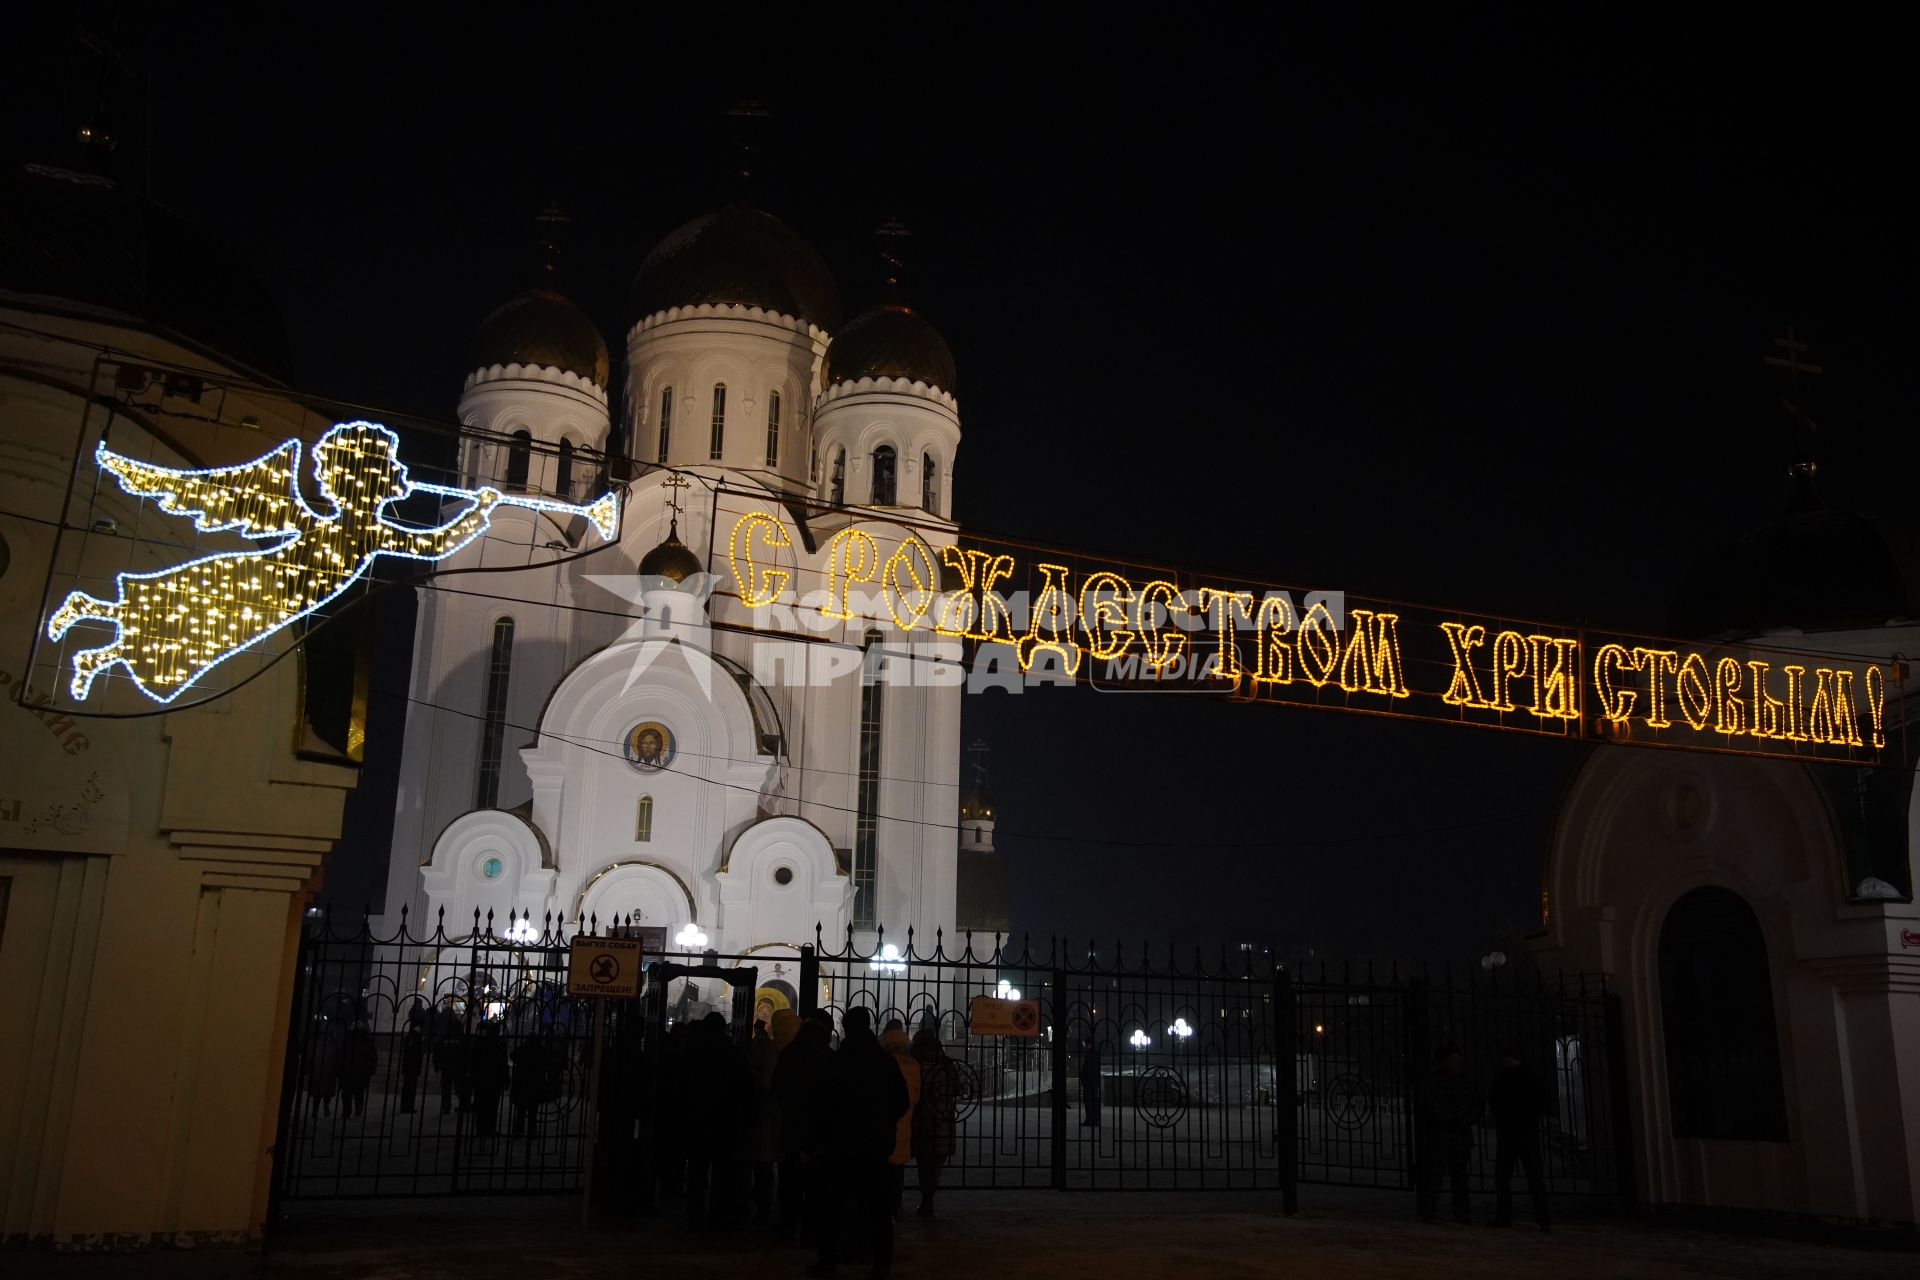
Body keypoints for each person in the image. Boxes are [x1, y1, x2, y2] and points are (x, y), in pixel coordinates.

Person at [808, 1007, 909, 1280]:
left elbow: (820, 1104)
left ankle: (828, 1260)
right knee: (878, 1209)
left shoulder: (836, 1061)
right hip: (875, 1147)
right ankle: (881, 1264)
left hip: (840, 1146)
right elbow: (902, 1101)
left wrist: (825, 1135)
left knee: (832, 1208)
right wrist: (883, 1123)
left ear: (846, 1028)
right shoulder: (885, 1062)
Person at [771, 1009, 831, 1244]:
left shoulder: (790, 1054)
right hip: (819, 1134)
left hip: (793, 1129)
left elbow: (778, 1087)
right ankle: (810, 1232)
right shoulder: (828, 1057)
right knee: (816, 1188)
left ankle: (786, 1229)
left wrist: (792, 1110)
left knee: (790, 1186)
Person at [1487, 1042, 1551, 1230]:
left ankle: (1504, 1216)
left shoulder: (1504, 1078)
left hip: (1511, 1133)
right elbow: (1542, 1101)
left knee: (1505, 1177)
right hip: (1526, 1132)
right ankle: (1542, 1217)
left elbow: (1495, 1101)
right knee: (1533, 1177)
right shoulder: (1532, 1076)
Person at [1416, 1042, 1482, 1224]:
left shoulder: (1462, 1081)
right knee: (1436, 1176)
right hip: (1444, 1134)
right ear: (1443, 1061)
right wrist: (1453, 1119)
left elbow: (1476, 1105)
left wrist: (1462, 1120)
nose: (1456, 1063)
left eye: (1457, 1059)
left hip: (1454, 1134)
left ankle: (1458, 1211)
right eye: (1453, 1059)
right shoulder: (1437, 1081)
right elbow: (1430, 1104)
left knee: (1458, 1178)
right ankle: (1430, 1209)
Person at [909, 1027, 958, 1217]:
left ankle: (925, 1197)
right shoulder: (946, 1065)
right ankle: (928, 1197)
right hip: (943, 1119)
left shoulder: (916, 1064)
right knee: (936, 1162)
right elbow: (957, 1089)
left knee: (924, 1161)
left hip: (922, 1120)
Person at [880, 1027, 921, 1217]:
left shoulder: (881, 1064)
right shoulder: (913, 1065)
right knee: (897, 1170)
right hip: (904, 1121)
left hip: (882, 1124)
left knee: (881, 1169)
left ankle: (882, 1210)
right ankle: (894, 1210)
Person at [470, 1021, 510, 1136]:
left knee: (481, 1105)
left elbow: (474, 1062)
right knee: (492, 1106)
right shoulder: (499, 1044)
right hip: (494, 1079)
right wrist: (506, 1079)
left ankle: (480, 1128)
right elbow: (503, 1064)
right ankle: (489, 1128)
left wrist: (473, 1077)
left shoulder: (479, 1043)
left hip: (482, 1079)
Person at [509, 1028, 548, 1137]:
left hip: (522, 1083)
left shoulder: (524, 1049)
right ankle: (532, 1132)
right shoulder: (540, 1050)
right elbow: (547, 1061)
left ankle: (518, 1130)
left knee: (521, 1111)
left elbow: (512, 1055)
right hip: (535, 1084)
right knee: (533, 1111)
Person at [340, 1018, 378, 1118]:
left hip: (348, 1070)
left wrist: (339, 1069)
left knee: (347, 1093)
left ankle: (346, 1112)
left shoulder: (347, 1039)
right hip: (361, 1070)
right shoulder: (366, 1040)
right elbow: (373, 1057)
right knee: (359, 1092)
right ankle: (358, 1108)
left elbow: (341, 1055)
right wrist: (371, 1069)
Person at [398, 1006, 427, 1114]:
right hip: (411, 1066)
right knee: (409, 1088)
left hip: (411, 1067)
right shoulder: (413, 1038)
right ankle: (406, 1107)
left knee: (410, 1088)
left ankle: (408, 1106)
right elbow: (414, 1052)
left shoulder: (414, 1037)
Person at [1078, 1036, 1103, 1128]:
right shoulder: (1095, 1054)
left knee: (1088, 1101)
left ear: (1089, 1044)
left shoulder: (1091, 1054)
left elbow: (1088, 1069)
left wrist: (1084, 1078)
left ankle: (1090, 1119)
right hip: (1093, 1082)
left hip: (1089, 1082)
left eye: (1086, 1043)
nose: (1084, 1045)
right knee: (1093, 1100)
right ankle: (1095, 1119)